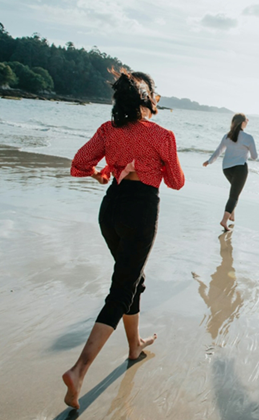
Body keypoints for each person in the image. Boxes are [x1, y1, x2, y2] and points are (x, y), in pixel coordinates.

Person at [63, 69, 184, 409]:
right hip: (140, 211)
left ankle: (134, 346)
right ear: (149, 99)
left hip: (110, 211)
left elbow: (77, 165)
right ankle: (79, 370)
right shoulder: (162, 135)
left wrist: (104, 173)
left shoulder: (108, 129)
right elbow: (176, 182)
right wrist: (151, 167)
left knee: (133, 280)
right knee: (122, 287)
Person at [203, 113, 258, 231]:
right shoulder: (248, 137)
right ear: (243, 123)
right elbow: (254, 156)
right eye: (246, 120)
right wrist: (247, 150)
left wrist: (209, 161)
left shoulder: (227, 136)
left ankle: (231, 213)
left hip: (226, 169)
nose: (247, 122)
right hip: (240, 169)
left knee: (234, 192)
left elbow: (218, 151)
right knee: (234, 195)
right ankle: (224, 221)